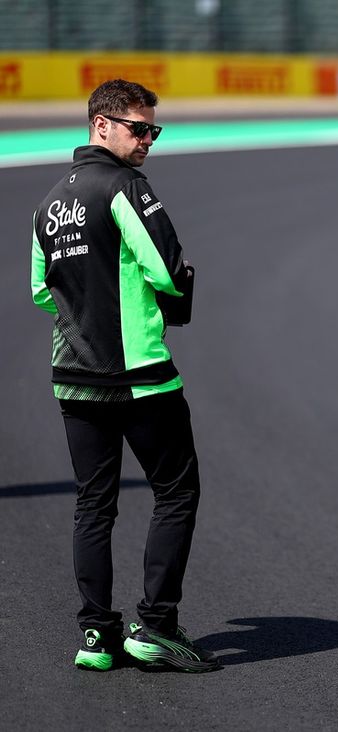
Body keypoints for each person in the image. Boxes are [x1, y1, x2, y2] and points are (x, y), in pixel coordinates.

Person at [31, 79, 217, 673]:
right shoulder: (127, 187)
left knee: (93, 504)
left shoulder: (48, 201)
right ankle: (156, 627)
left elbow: (41, 292)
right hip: (137, 375)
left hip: (73, 374)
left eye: (153, 131)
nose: (147, 141)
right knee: (177, 492)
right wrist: (172, 284)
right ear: (101, 125)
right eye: (139, 129)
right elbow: (168, 269)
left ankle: (95, 636)